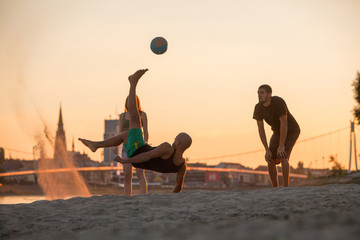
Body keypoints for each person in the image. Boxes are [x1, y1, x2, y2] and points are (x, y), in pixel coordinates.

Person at [79, 69, 192, 193]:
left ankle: (133, 83)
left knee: (135, 118)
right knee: (126, 135)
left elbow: (146, 155)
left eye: (176, 138)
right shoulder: (182, 166)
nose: (173, 140)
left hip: (137, 151)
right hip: (139, 150)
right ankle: (96, 144)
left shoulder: (167, 148)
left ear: (179, 143)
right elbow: (178, 186)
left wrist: (126, 161)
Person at [253, 84, 300, 187]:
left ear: (269, 94)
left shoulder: (278, 102)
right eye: (258, 93)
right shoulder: (258, 108)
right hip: (277, 132)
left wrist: (281, 145)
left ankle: (285, 187)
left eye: (262, 93)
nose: (259, 95)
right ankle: (275, 189)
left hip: (291, 130)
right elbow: (261, 129)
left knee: (282, 155)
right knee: (270, 159)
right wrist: (267, 150)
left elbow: (284, 123)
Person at [118, 96, 149, 196]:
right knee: (127, 175)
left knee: (140, 173)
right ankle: (128, 197)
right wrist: (116, 146)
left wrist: (145, 144)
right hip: (126, 148)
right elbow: (120, 133)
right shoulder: (122, 116)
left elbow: (146, 132)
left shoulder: (142, 115)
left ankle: (143, 196)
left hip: (138, 146)